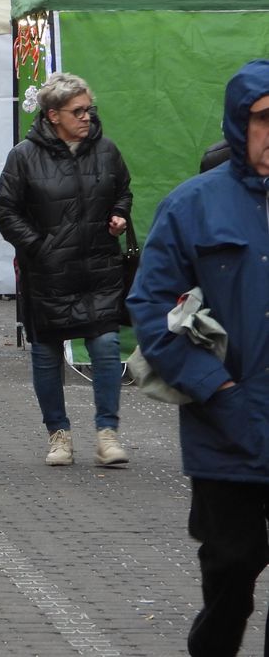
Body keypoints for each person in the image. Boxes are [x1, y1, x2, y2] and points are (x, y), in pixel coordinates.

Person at [127, 60, 269, 657]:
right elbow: (153, 308)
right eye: (265, 119)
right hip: (227, 423)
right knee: (233, 571)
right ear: (240, 124)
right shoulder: (193, 207)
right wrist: (218, 389)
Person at [0, 72, 132, 469]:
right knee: (47, 353)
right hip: (48, 274)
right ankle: (59, 435)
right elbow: (4, 210)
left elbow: (123, 189)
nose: (87, 117)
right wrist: (39, 248)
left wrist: (120, 214)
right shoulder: (23, 156)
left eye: (89, 109)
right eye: (78, 111)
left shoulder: (106, 151)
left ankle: (107, 433)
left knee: (105, 348)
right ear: (53, 115)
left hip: (98, 268)